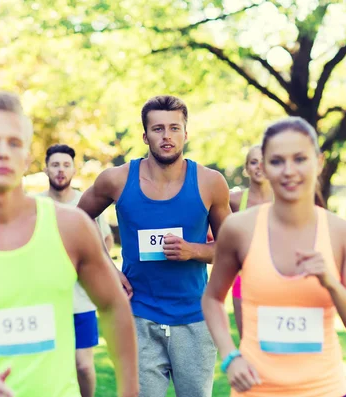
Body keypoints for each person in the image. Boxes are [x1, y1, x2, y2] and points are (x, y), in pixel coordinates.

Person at [0, 91, 138, 397]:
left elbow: (113, 306)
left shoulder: (71, 228)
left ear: (27, 157)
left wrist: (129, 391)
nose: (3, 152)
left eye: (14, 143)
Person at [202, 117, 346, 397]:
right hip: (256, 391)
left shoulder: (343, 234)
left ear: (318, 163)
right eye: (277, 161)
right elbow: (212, 298)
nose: (289, 171)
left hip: (325, 390)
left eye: (300, 159)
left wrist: (332, 283)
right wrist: (230, 355)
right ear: (263, 168)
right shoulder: (239, 229)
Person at [77, 95, 231, 397]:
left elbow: (232, 250)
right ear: (145, 135)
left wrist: (194, 250)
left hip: (195, 317)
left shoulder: (211, 183)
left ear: (186, 133)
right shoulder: (116, 180)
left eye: (175, 128)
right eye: (158, 129)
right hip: (137, 315)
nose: (167, 136)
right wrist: (108, 267)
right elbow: (78, 218)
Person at [39, 143, 114, 397]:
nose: (61, 170)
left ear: (73, 168)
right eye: (55, 165)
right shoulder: (34, 206)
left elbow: (106, 242)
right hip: (44, 300)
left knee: (82, 365)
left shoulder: (86, 203)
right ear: (46, 168)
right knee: (48, 366)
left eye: (66, 165)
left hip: (81, 299)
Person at [228, 145, 273, 337]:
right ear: (246, 168)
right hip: (243, 279)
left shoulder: (285, 200)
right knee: (248, 341)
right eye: (253, 162)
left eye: (265, 162)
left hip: (278, 278)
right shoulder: (234, 200)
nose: (259, 167)